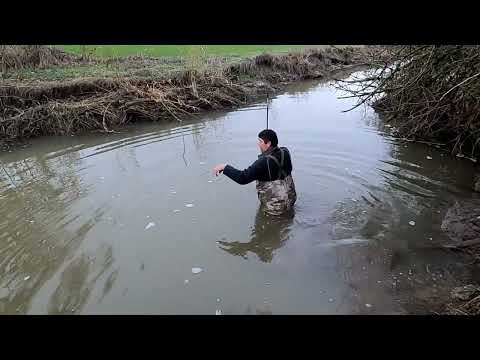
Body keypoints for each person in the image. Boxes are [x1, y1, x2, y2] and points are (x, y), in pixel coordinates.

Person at [213, 129, 297, 216]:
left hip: (275, 209)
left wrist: (225, 167)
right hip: (291, 200)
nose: (258, 144)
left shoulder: (262, 162)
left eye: (260, 141)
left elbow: (242, 178)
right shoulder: (285, 151)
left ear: (268, 143)